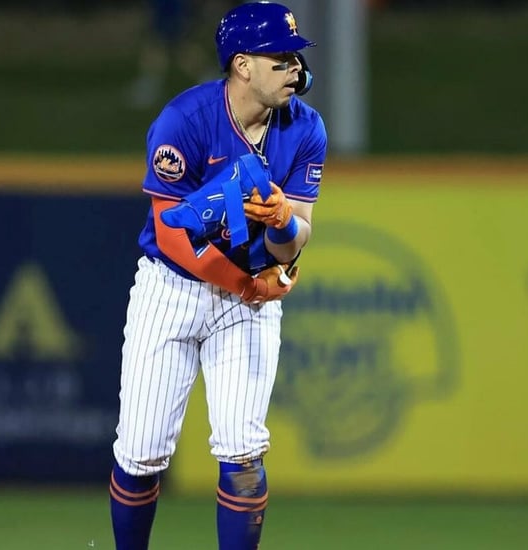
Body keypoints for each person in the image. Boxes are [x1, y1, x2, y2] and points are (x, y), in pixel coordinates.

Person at [109, 2, 327, 549]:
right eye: (280, 58)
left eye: (296, 58)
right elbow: (170, 234)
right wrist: (246, 284)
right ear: (242, 64)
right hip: (172, 289)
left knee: (244, 452)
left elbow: (295, 238)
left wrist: (282, 223)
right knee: (141, 453)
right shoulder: (185, 119)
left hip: (248, 300)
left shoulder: (305, 128)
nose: (295, 69)